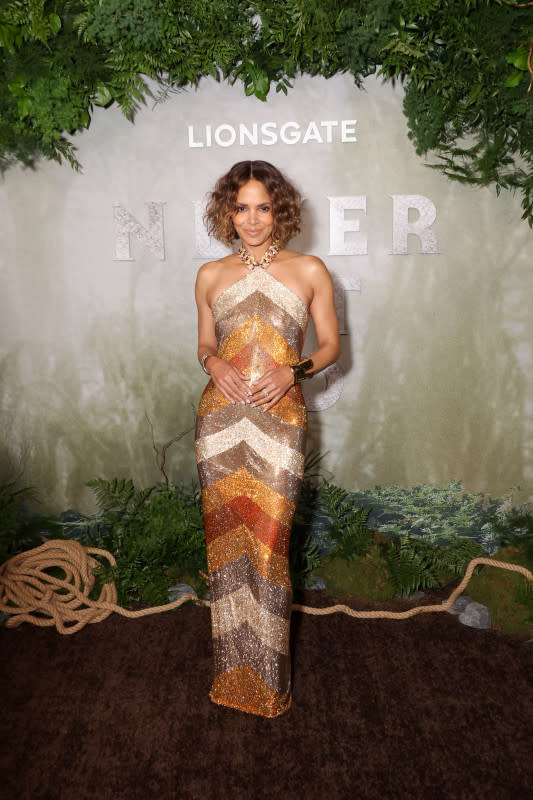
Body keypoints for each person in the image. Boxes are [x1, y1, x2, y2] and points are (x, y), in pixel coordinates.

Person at [194, 160, 340, 717]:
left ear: (279, 209)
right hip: (220, 423)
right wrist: (212, 365)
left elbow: (330, 347)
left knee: (269, 545)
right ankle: (232, 677)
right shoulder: (210, 274)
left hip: (281, 421)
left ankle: (269, 681)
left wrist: (293, 372)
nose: (251, 219)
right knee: (228, 549)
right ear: (226, 211)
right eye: (240, 207)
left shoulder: (309, 270)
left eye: (262, 206)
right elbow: (204, 345)